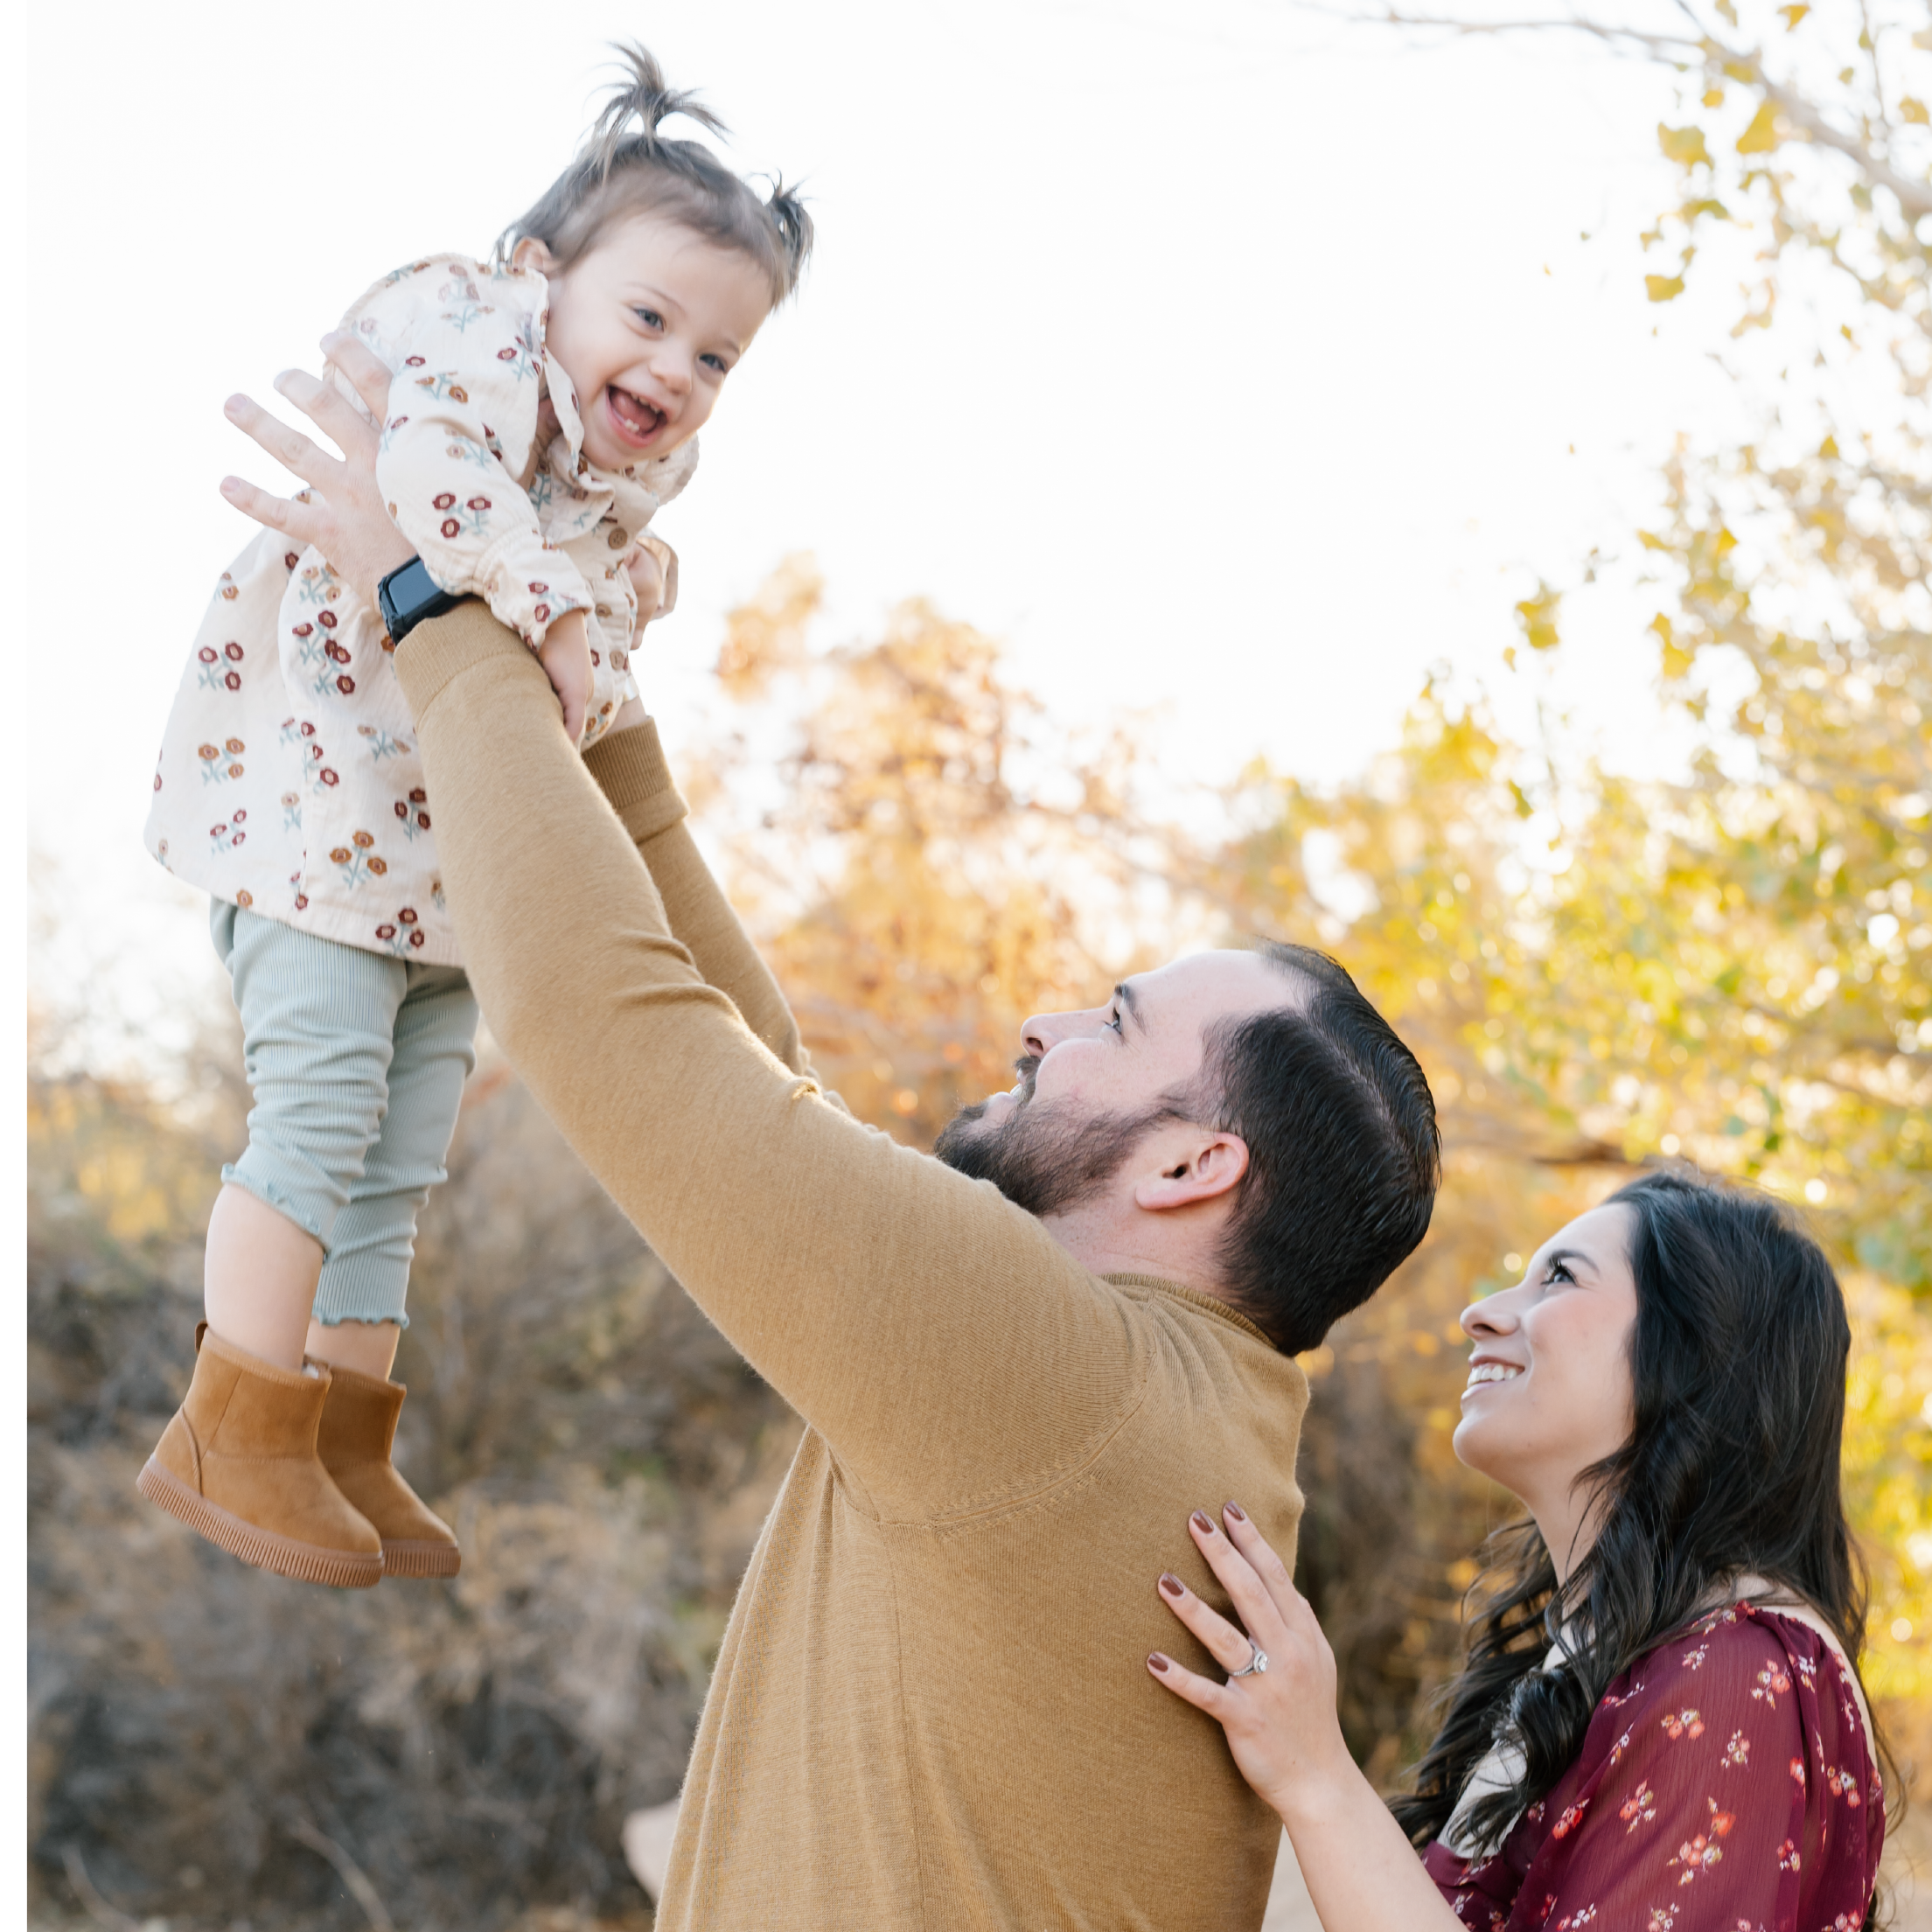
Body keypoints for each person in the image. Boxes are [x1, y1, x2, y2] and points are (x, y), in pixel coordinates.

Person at [207, 340, 1440, 1929]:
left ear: (1190, 1164)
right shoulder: (1136, 1396)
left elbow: (608, 1020)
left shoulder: (1052, 1372)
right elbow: (764, 1096)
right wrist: (601, 712)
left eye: (1113, 1023)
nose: (1045, 1022)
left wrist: (426, 606)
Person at [137, 47, 809, 1588]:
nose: (676, 371)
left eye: (717, 356)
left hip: (440, 874)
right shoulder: (467, 344)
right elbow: (435, 487)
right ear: (541, 272)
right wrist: (558, 612)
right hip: (316, 827)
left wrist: (593, 619)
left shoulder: (613, 489)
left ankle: (341, 1436)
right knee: (317, 1119)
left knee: (401, 1165)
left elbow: (594, 647)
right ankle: (233, 1422)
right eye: (650, 317)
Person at [1149, 1169, 1888, 1931]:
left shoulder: (1737, 1675)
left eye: (1559, 1276)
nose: (1479, 1313)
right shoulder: (1604, 1666)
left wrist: (1316, 1773)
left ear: (1692, 1350)